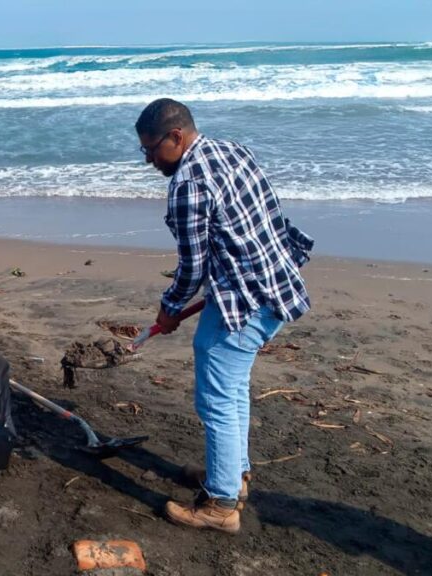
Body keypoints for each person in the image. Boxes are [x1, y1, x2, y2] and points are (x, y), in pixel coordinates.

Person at [135, 98, 314, 534]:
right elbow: (273, 218)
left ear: (176, 137)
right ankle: (232, 475)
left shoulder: (187, 184)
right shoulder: (232, 150)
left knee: (215, 397)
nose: (149, 160)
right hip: (275, 282)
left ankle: (220, 505)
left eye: (152, 149)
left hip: (245, 299)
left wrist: (169, 308)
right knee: (231, 389)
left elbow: (193, 266)